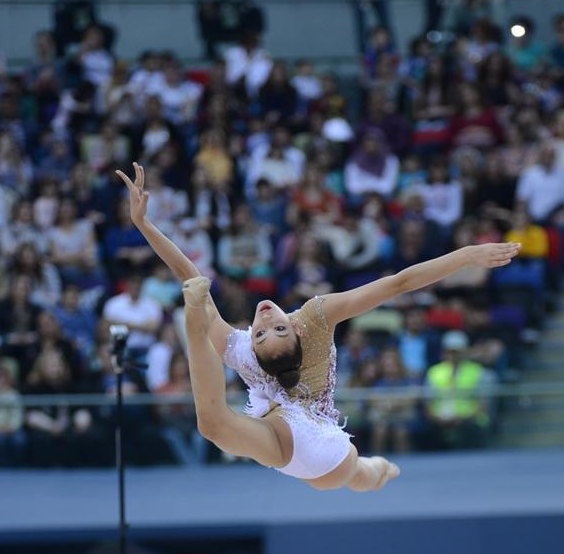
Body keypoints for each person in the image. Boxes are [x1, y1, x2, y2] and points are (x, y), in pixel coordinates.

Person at [117, 162, 520, 490]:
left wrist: (145, 226)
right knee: (360, 474)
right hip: (314, 443)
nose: (267, 320)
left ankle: (377, 468)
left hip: (304, 443)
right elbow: (398, 283)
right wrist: (465, 254)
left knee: (213, 425)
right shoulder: (315, 317)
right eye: (271, 330)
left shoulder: (256, 345)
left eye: (263, 331)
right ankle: (377, 468)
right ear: (298, 334)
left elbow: (191, 279)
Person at [424, 329, 491, 449]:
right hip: (440, 419)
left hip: (469, 419)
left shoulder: (478, 372)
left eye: (456, 352)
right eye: (450, 352)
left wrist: (463, 417)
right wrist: (436, 418)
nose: (453, 355)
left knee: (469, 430)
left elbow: (483, 404)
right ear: (444, 352)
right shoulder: (434, 372)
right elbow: (427, 403)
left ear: (464, 351)